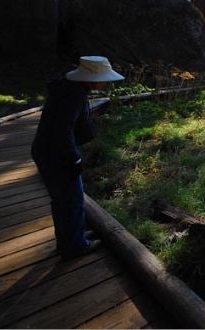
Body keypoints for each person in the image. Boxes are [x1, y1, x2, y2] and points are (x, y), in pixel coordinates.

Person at [31, 56, 124, 260]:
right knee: (72, 199)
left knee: (62, 199)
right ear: (91, 78)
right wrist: (74, 158)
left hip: (44, 151)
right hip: (57, 155)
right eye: (104, 78)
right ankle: (75, 246)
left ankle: (70, 237)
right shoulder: (74, 96)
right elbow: (62, 131)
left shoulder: (67, 88)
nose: (106, 82)